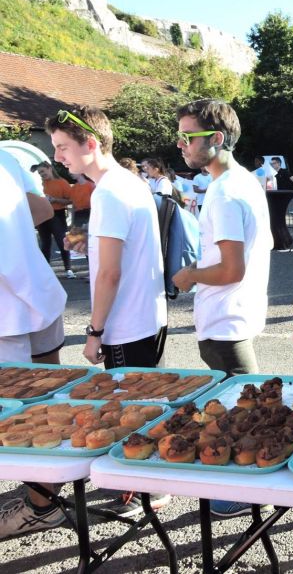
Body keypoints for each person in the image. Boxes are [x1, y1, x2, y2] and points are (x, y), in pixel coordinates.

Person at [46, 106, 169, 517]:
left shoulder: (111, 192)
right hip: (146, 318)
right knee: (150, 406)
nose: (59, 157)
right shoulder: (128, 184)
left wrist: (94, 331)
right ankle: (150, 486)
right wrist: (90, 244)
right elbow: (118, 256)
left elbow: (110, 274)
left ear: (91, 144)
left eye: (63, 147)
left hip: (127, 325)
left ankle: (144, 490)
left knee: (132, 412)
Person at [171, 100, 271, 519]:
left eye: (187, 137)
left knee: (242, 412)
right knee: (247, 406)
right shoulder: (241, 181)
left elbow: (231, 268)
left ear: (216, 138)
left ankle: (252, 491)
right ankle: (254, 484)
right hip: (237, 313)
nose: (180, 146)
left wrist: (189, 275)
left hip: (225, 317)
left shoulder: (225, 192)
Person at [0, 149, 70, 540]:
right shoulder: (6, 158)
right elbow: (42, 210)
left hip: (8, 308)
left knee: (19, 414)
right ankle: (45, 494)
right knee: (51, 403)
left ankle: (41, 506)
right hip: (37, 290)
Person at [35, 162, 75, 278]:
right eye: (40, 173)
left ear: (50, 168)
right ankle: (45, 271)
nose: (42, 174)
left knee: (62, 241)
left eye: (43, 171)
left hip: (57, 214)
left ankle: (68, 269)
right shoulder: (39, 184)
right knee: (45, 244)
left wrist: (54, 200)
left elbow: (70, 200)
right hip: (42, 215)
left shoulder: (62, 182)